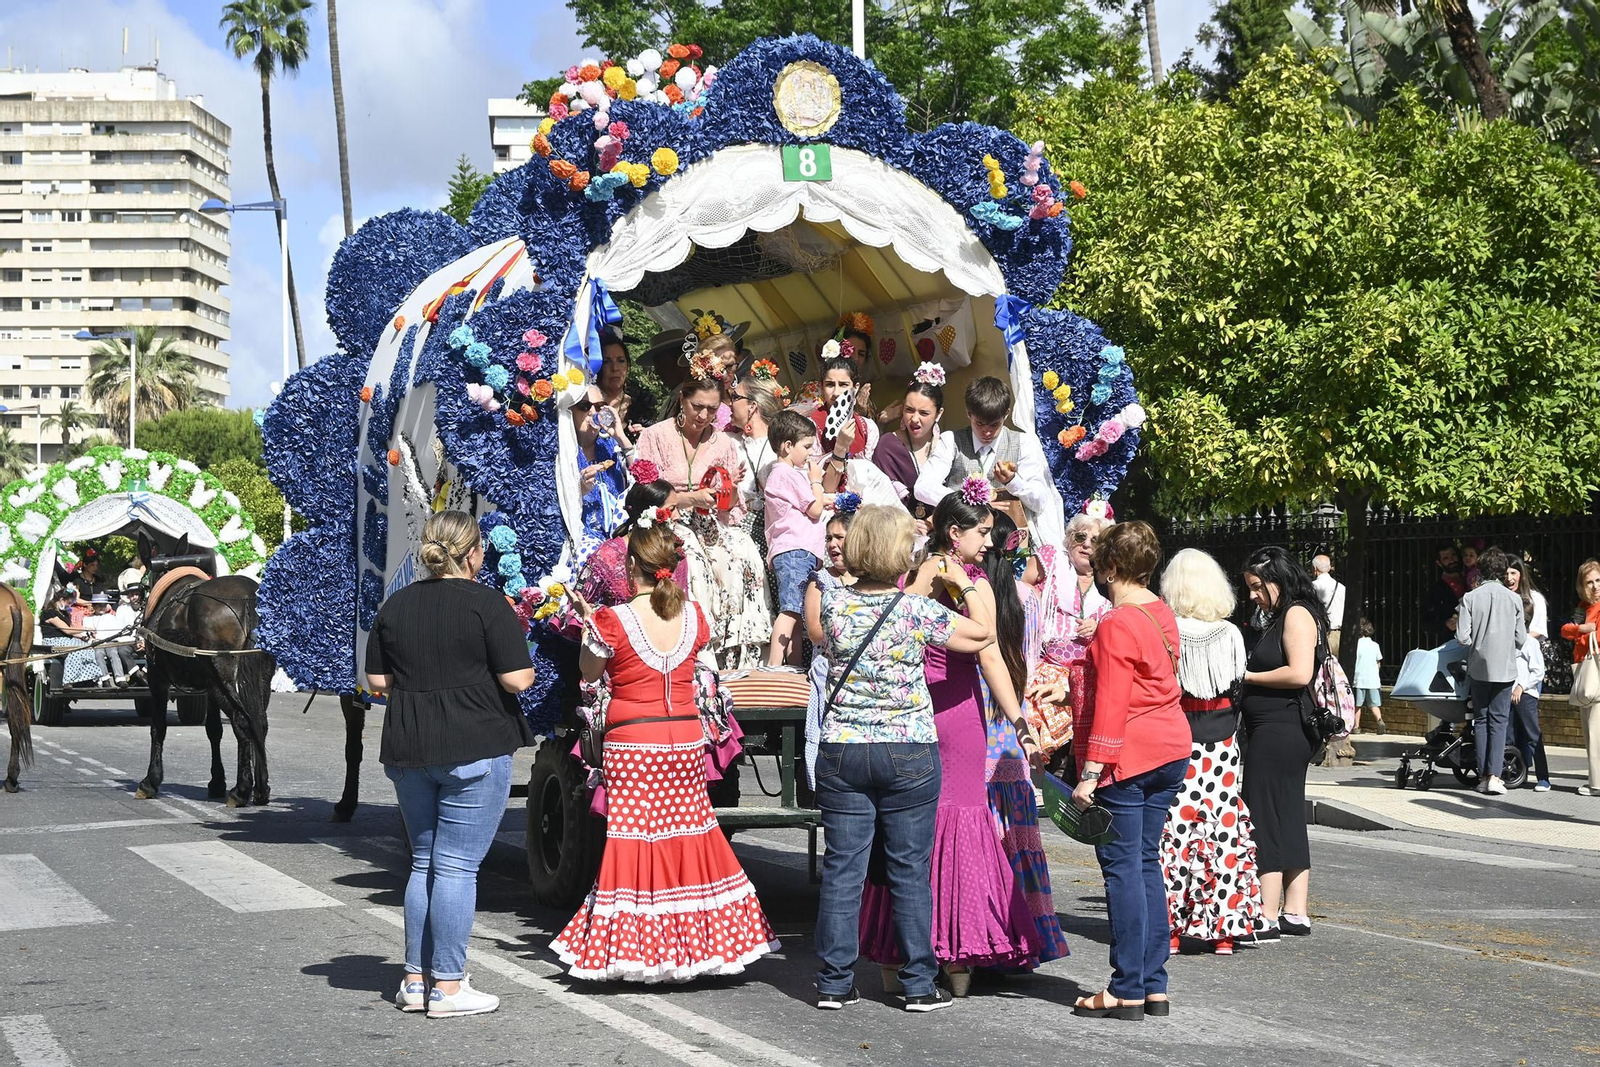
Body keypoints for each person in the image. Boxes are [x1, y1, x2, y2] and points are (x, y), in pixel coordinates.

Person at [555, 522, 779, 982]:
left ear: (630, 566)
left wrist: (590, 621)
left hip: (634, 744)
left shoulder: (611, 619)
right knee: (689, 837)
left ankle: (642, 951)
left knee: (634, 841)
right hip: (685, 741)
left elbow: (590, 673)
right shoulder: (694, 615)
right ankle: (699, 946)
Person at [811, 504, 996, 1013]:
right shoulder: (916, 611)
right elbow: (982, 633)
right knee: (910, 869)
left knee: (843, 868)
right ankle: (918, 984)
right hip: (908, 748)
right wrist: (963, 582)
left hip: (844, 747)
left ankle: (834, 982)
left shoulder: (832, 604)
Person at [862, 488, 1042, 999]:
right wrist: (939, 579)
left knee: (926, 826)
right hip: (930, 716)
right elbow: (986, 654)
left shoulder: (941, 581)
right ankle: (943, 955)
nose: (989, 542)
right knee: (935, 827)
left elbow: (991, 656)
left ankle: (912, 953)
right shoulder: (951, 584)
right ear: (953, 533)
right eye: (982, 532)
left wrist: (1018, 719)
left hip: (934, 715)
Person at [366, 510, 538, 1018]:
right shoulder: (487, 603)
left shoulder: (396, 604)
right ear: (475, 555)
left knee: (424, 863)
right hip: (474, 743)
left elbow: (378, 683)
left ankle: (414, 981)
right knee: (457, 867)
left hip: (410, 745)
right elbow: (518, 680)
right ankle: (448, 984)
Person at [1068, 521, 1190, 1020]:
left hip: (1130, 754)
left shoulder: (1116, 622)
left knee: (1122, 868)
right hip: (1171, 744)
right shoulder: (1161, 611)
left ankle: (1126, 987)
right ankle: (1153, 984)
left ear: (1111, 567)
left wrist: (1090, 772)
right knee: (1145, 863)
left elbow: (1114, 701)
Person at [1156, 548, 1263, 957]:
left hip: (1179, 735)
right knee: (1222, 826)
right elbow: (1236, 687)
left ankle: (1171, 926)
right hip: (1221, 740)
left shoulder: (1168, 631)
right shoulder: (1229, 633)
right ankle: (1224, 928)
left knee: (1176, 827)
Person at [633, 371, 770, 668]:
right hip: (666, 521)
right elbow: (648, 496)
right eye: (698, 406)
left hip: (712, 522)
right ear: (682, 399)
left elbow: (731, 506)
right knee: (692, 557)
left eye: (712, 409)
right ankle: (700, 647)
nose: (704, 415)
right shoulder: (655, 436)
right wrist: (690, 499)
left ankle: (738, 652)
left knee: (743, 551)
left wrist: (729, 489)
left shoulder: (724, 443)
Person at [980, 512, 1068, 966]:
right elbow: (1029, 662)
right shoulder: (1027, 598)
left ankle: (981, 937)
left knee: (979, 835)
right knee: (1015, 833)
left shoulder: (967, 595)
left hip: (974, 720)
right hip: (1010, 723)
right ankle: (1022, 939)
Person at [1239, 545, 1323, 942]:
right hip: (1277, 729)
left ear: (1279, 580)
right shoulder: (1284, 615)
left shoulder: (1296, 614)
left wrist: (1246, 676)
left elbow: (1299, 673)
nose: (1252, 595)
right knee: (1286, 815)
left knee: (1265, 814)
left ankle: (1266, 913)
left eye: (1258, 586)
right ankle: (1295, 911)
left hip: (1280, 730)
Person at [913, 375, 1064, 551]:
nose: (986, 432)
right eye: (979, 424)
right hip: (959, 545)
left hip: (1007, 546)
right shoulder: (951, 440)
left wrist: (1013, 481)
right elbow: (922, 487)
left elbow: (1040, 502)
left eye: (994, 425)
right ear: (968, 413)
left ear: (1006, 414)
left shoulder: (1024, 443)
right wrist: (972, 502)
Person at [764, 409, 835, 665]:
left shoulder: (783, 475)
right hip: (795, 551)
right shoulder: (787, 474)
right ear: (787, 446)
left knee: (796, 613)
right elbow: (814, 509)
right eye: (806, 447)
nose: (809, 453)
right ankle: (774, 665)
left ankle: (793, 666)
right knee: (791, 610)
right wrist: (816, 481)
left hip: (797, 551)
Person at [1455, 548, 1527, 796]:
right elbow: (1521, 639)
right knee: (1499, 721)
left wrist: (1478, 641)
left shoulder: (1470, 598)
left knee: (1481, 720)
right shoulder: (1514, 600)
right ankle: (1495, 776)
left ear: (1481, 570)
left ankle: (1483, 776)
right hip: (1505, 668)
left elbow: (1462, 637)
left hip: (1478, 668)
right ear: (1503, 572)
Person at [802, 505, 858, 789]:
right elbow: (815, 631)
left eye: (840, 537)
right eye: (828, 538)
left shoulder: (871, 581)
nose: (833, 544)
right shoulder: (820, 581)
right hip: (829, 662)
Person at [871, 363, 944, 528]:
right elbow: (881, 497)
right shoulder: (888, 446)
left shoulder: (946, 447)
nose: (915, 419)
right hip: (898, 529)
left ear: (938, 414)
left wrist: (934, 522)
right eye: (909, 410)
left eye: (924, 413)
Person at [727, 370, 785, 557]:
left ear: (752, 406)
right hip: (738, 537)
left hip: (777, 536)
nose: (729, 403)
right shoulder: (728, 442)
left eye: (735, 397)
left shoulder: (783, 446)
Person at [574, 384, 628, 561]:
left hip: (620, 534)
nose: (592, 412)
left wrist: (620, 436)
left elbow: (644, 478)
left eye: (599, 406)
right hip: (582, 541)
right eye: (584, 406)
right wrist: (580, 491)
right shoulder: (561, 453)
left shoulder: (612, 447)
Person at [809, 356, 879, 494]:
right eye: (830, 384)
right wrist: (840, 447)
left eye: (843, 385)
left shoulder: (867, 427)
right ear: (821, 387)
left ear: (856, 387)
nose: (836, 393)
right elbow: (824, 489)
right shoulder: (810, 428)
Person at [1560, 559, 1600, 797]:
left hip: (1594, 670)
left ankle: (1597, 784)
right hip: (1587, 670)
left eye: (1598, 580)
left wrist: (1581, 634)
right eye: (1589, 582)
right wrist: (1582, 630)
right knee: (1590, 728)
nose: (1595, 586)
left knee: (1594, 730)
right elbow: (1565, 631)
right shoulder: (1583, 608)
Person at [596, 327, 654, 453]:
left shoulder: (642, 404)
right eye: (606, 362)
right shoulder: (588, 402)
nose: (615, 368)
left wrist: (646, 437)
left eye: (621, 361)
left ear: (628, 365)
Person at [1512, 623, 1550, 793]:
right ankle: (1516, 774)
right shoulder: (1504, 641)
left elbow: (1538, 671)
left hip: (1526, 694)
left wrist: (1521, 686)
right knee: (1510, 737)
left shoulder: (1530, 642)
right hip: (1507, 694)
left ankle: (1543, 778)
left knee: (1532, 736)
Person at [39, 589, 96, 690]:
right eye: (69, 602)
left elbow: (72, 631)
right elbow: (67, 630)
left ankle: (86, 679)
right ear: (62, 599)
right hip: (52, 640)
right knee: (74, 649)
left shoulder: (64, 613)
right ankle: (68, 681)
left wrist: (82, 636)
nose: (71, 604)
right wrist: (86, 628)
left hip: (66, 639)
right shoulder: (50, 613)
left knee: (88, 647)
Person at [1422, 543, 1468, 646]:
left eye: (1453, 555)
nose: (1452, 560)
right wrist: (1445, 624)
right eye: (1446, 558)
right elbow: (1426, 623)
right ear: (1439, 563)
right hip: (1453, 643)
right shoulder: (1436, 590)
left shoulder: (1471, 579)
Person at [84, 593, 133, 686]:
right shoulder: (87, 619)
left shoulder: (111, 617)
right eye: (99, 605)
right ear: (93, 606)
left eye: (104, 605)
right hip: (97, 643)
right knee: (98, 654)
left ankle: (120, 678)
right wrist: (91, 638)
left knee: (113, 653)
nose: (102, 608)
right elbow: (85, 633)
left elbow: (116, 632)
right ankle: (105, 679)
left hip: (110, 641)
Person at [1353, 618, 1385, 734]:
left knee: (1357, 705)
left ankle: (1356, 727)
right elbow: (1378, 662)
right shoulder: (1375, 645)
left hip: (1359, 679)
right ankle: (1380, 721)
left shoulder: (1356, 645)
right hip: (1373, 680)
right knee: (1374, 704)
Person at [1311, 553, 1346, 658]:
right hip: (1341, 635)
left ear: (1315, 568)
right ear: (1329, 567)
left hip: (1323, 635)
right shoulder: (1342, 588)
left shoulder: (1313, 587)